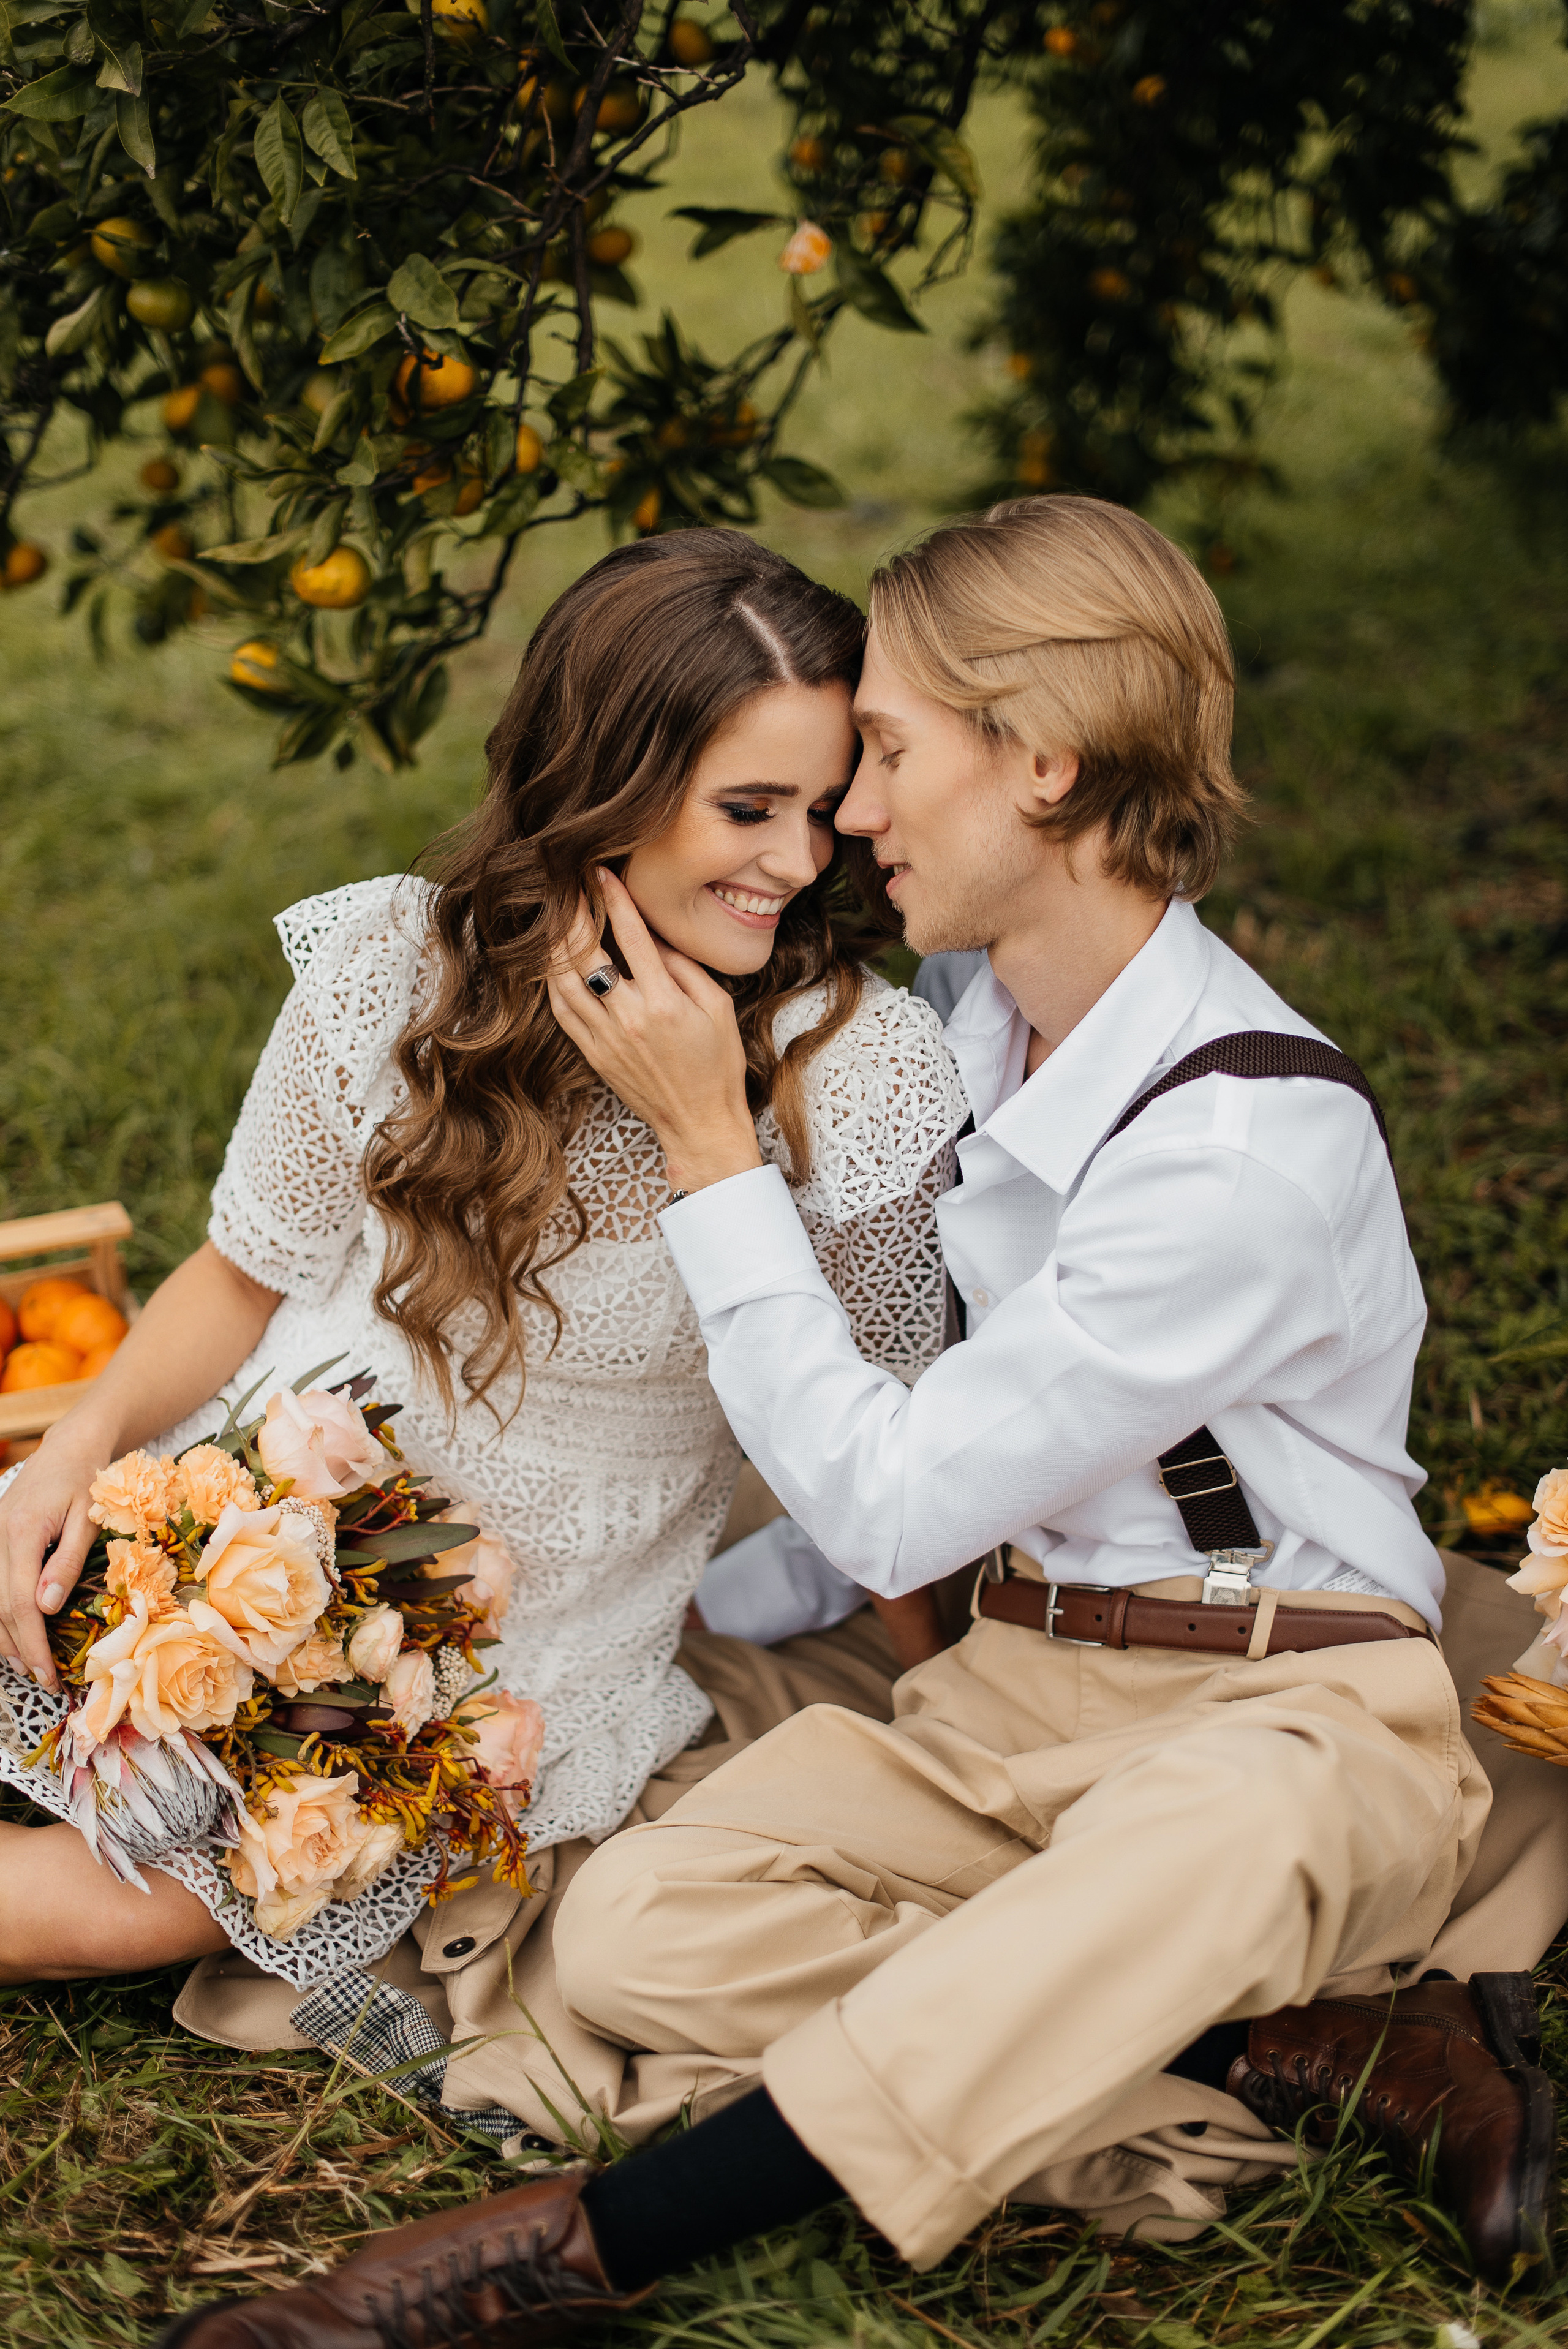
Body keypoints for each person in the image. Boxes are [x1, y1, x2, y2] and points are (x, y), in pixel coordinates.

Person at [158, 494, 1558, 2349]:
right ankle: (1289, 2031)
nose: (855, 820)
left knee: (1192, 1848)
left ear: (1043, 764)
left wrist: (709, 1151)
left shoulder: (1244, 1151)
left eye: (887, 755)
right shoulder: (975, 1030)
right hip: (1021, 1688)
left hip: (1283, 1696)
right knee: (640, 1920)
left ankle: (563, 2257)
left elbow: (895, 1500)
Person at [0, 530, 970, 2132]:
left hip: (517, 1625)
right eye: (749, 809)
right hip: (270, 1466)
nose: (800, 862)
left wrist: (944, 1710)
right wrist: (83, 1443)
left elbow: (882, 1455)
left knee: (157, 1891)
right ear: (606, 783)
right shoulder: (396, 960)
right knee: (44, 1629)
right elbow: (239, 1276)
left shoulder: (855, 1070)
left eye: (824, 804)